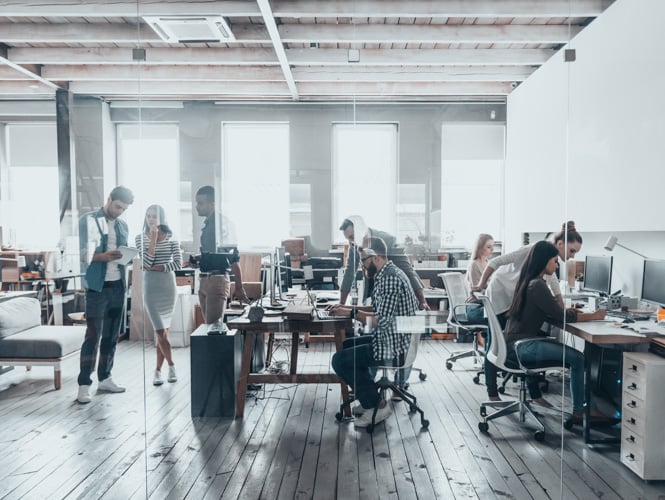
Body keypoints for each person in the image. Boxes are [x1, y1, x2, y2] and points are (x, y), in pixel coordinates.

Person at [504, 240, 612, 424]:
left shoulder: (529, 281)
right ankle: (581, 411)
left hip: (515, 344)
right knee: (578, 359)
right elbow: (562, 317)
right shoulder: (537, 285)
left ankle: (586, 407)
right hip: (523, 347)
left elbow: (552, 314)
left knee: (576, 358)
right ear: (544, 261)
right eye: (554, 261)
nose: (556, 264)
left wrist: (573, 313)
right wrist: (595, 315)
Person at [472, 221, 582, 402]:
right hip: (500, 294)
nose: (572, 256)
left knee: (528, 335)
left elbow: (553, 282)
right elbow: (497, 261)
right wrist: (481, 285)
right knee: (495, 345)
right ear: (560, 244)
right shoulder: (534, 250)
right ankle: (492, 394)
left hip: (516, 295)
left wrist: (560, 307)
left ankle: (535, 395)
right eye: (572, 251)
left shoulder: (547, 259)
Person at [331, 237, 419, 428]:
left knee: (339, 360)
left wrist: (352, 313)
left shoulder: (389, 279)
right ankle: (369, 396)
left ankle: (377, 405)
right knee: (347, 345)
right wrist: (348, 309)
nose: (361, 265)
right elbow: (380, 310)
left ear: (377, 257)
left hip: (394, 347)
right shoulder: (387, 273)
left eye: (363, 260)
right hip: (395, 339)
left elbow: (381, 321)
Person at [76, 186, 134, 404]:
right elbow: (83, 254)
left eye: (124, 209)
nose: (120, 211)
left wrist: (125, 256)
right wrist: (104, 256)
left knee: (111, 337)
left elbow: (123, 255)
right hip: (97, 289)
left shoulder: (122, 225)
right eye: (118, 206)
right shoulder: (88, 220)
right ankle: (84, 384)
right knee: (93, 337)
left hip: (118, 286)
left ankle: (105, 377)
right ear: (109, 199)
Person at [135, 205, 182, 386]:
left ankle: (157, 371)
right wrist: (153, 239)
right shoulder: (139, 238)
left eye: (154, 216)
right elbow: (146, 262)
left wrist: (162, 267)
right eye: (148, 216)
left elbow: (177, 263)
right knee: (161, 331)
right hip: (151, 289)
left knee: (162, 333)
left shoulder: (171, 237)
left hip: (168, 288)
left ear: (162, 218)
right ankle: (172, 365)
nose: (150, 219)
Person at [338, 216, 428, 310]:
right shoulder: (353, 246)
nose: (351, 242)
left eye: (352, 237)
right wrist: (341, 305)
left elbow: (408, 271)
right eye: (348, 239)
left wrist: (422, 301)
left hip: (393, 287)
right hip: (373, 288)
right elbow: (349, 273)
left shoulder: (389, 240)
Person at [194, 185, 249, 324]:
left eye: (200, 203)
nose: (197, 207)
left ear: (213, 204)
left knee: (213, 327)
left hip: (217, 280)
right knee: (209, 326)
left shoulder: (223, 225)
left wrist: (239, 286)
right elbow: (214, 254)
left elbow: (233, 258)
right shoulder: (208, 225)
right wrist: (198, 258)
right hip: (205, 279)